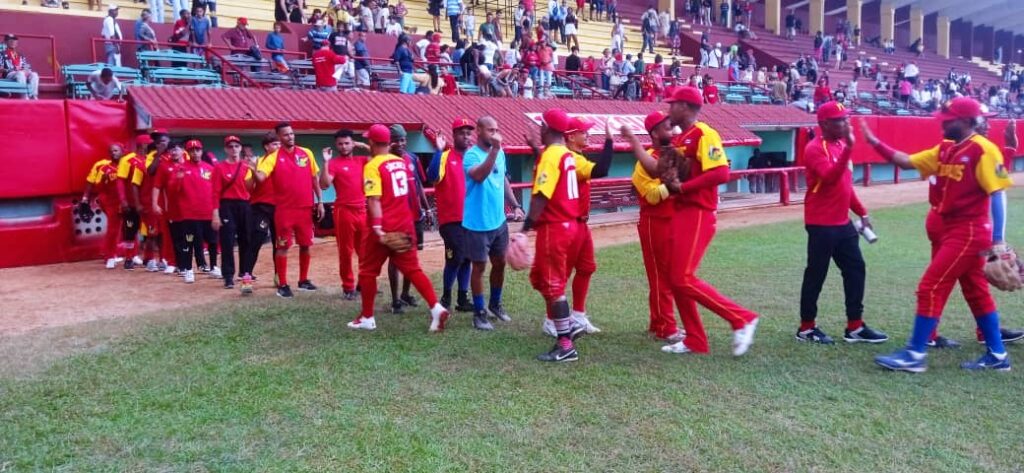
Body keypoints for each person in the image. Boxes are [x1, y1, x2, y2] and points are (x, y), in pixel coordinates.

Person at [864, 97, 1013, 372]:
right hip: (952, 228)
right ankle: (998, 355)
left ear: (966, 121)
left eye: (948, 120)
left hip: (970, 230)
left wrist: (998, 239)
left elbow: (998, 193)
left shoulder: (983, 149)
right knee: (976, 291)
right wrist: (874, 142)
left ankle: (915, 354)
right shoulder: (946, 148)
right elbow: (906, 162)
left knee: (930, 287)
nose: (942, 124)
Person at [653, 86, 760, 356]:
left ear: (685, 107)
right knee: (675, 278)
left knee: (682, 278)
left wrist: (683, 187)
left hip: (698, 211)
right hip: (682, 210)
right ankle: (695, 340)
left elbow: (721, 173)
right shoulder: (681, 137)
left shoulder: (704, 133)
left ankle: (742, 318)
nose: (669, 109)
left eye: (673, 104)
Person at [518, 109, 612, 362]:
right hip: (568, 224)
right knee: (540, 278)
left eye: (542, 126)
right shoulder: (565, 155)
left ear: (547, 128)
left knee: (553, 284)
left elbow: (541, 196)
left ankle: (565, 343)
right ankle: (568, 324)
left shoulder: (553, 154)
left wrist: (523, 230)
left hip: (555, 226)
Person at [795, 102, 888, 344]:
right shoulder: (815, 148)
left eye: (846, 118)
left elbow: (846, 186)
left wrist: (861, 212)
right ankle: (806, 328)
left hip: (842, 223)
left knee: (856, 269)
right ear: (825, 124)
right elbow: (829, 178)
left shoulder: (839, 145)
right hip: (821, 223)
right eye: (841, 120)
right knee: (816, 274)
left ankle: (855, 326)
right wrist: (850, 148)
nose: (847, 123)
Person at [348, 124, 451, 332]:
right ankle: (436, 308)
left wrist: (377, 226)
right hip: (405, 223)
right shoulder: (401, 162)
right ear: (389, 142)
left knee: (367, 272)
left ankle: (367, 317)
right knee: (413, 269)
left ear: (371, 142)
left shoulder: (372, 166)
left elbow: (374, 199)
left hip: (384, 225)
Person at [460, 116, 525, 330]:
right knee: (479, 267)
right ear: (479, 131)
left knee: (500, 263)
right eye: (490, 130)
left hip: (498, 221)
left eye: (496, 130)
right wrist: (495, 150)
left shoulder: (500, 152)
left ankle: (495, 304)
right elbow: (479, 176)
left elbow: (502, 178)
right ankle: (479, 313)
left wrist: (515, 204)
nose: (495, 134)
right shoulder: (471, 155)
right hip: (477, 224)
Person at [628, 111, 683, 341]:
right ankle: (666, 327)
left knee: (670, 275)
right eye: (667, 126)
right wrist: (673, 185)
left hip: (674, 220)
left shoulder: (675, 154)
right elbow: (651, 196)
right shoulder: (645, 161)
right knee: (660, 277)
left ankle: (657, 322)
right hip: (654, 222)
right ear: (655, 133)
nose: (672, 129)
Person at [255, 122, 325, 298]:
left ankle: (303, 280)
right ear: (279, 137)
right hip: (284, 210)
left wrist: (320, 202)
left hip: (305, 208)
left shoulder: (306, 153)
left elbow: (314, 179)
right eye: (286, 134)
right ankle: (283, 285)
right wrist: (253, 168)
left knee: (306, 245)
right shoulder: (273, 157)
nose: (290, 137)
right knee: (282, 246)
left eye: (292, 133)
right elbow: (261, 178)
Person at [426, 119, 476, 313]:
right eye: (461, 132)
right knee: (455, 258)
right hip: (451, 220)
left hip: (471, 218)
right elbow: (432, 176)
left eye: (468, 133)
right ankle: (446, 297)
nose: (466, 136)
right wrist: (438, 150)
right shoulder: (446, 156)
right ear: (454, 135)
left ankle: (462, 298)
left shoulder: (473, 158)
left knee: (467, 258)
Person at [153, 140, 215, 284]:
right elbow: (165, 187)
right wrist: (155, 203)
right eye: (192, 150)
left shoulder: (208, 167)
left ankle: (204, 264)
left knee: (202, 239)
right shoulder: (175, 168)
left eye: (197, 150)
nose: (195, 153)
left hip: (202, 211)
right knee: (181, 239)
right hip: (179, 210)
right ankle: (181, 266)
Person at [317, 129, 369, 299]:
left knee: (365, 251)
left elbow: (381, 156)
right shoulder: (333, 163)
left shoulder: (362, 160)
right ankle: (348, 287)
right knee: (346, 252)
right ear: (336, 145)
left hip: (363, 210)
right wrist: (325, 162)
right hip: (344, 211)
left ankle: (364, 283)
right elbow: (324, 184)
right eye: (340, 144)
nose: (344, 146)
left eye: (347, 143)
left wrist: (362, 145)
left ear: (352, 143)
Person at [388, 124, 431, 313]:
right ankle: (395, 300)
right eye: (396, 140)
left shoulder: (412, 158)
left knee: (411, 258)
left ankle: (405, 293)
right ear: (389, 142)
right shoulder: (384, 161)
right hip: (396, 219)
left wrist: (427, 209)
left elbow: (419, 185)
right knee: (395, 259)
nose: (400, 143)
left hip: (415, 216)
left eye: (402, 139)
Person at [211, 136, 255, 292]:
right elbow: (215, 192)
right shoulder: (219, 167)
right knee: (227, 241)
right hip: (227, 206)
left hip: (245, 205)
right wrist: (215, 213)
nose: (234, 149)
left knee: (247, 240)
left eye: (236, 146)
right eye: (230, 146)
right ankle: (228, 275)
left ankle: (245, 273)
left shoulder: (247, 166)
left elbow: (253, 187)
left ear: (240, 148)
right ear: (225, 149)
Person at [81, 143, 129, 269]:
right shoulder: (103, 166)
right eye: (112, 151)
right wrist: (85, 198)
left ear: (123, 151)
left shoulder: (128, 165)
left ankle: (130, 255)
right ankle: (109, 256)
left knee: (129, 226)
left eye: (116, 150)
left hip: (126, 200)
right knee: (114, 227)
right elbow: (95, 184)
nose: (114, 153)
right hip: (109, 201)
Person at [246, 133, 281, 285]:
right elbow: (249, 187)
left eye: (279, 144)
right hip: (261, 207)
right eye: (275, 144)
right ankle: (246, 278)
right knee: (256, 241)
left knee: (279, 243)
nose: (278, 147)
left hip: (280, 207)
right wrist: (253, 171)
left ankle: (279, 276)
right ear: (266, 146)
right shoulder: (259, 161)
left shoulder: (284, 161)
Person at [115, 135, 152, 270]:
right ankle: (129, 258)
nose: (150, 145)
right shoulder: (127, 160)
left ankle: (148, 258)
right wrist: (123, 200)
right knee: (130, 230)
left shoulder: (150, 159)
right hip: (131, 204)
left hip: (147, 203)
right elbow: (120, 181)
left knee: (150, 232)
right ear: (142, 145)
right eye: (148, 143)